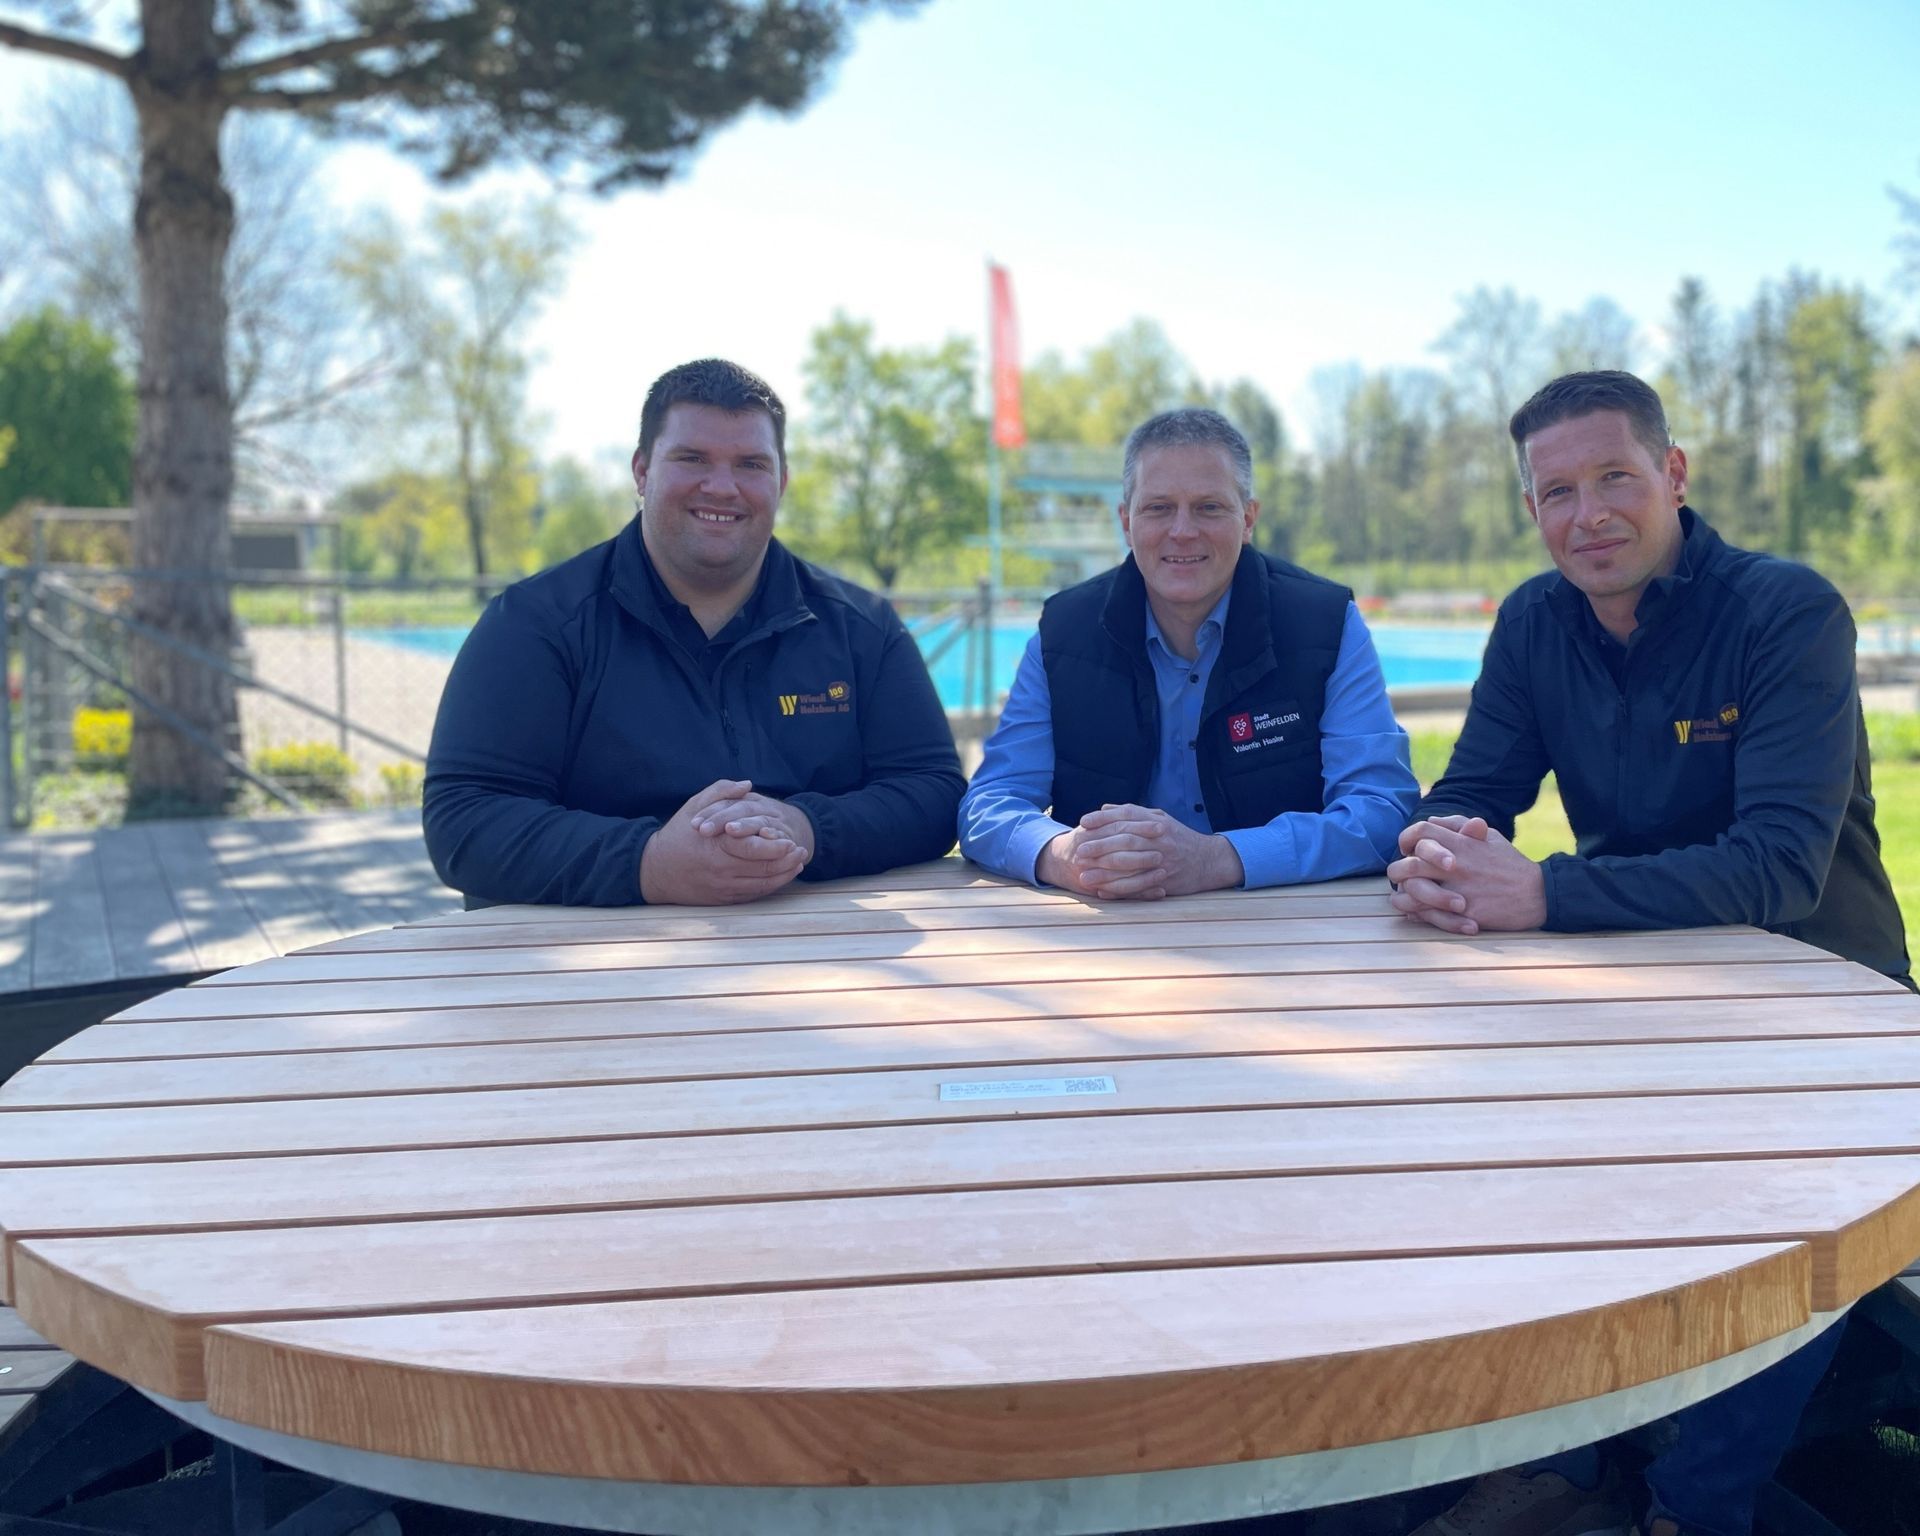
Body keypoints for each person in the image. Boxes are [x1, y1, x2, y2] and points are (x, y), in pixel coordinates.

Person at [1390, 369, 1910, 1536]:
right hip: (1635, 985)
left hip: (1828, 999)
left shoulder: (1785, 612)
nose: (1589, 516)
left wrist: (1543, 892)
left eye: (1614, 477)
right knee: (1474, 1141)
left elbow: (1778, 866)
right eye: (1556, 492)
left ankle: (1690, 1505)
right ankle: (1558, 1457)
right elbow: (1476, 787)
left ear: (1673, 475)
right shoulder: (1535, 621)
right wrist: (1434, 845)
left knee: (1791, 1208)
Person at [424, 358, 965, 907]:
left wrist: (805, 828)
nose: (722, 487)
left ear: (781, 481)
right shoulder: (535, 624)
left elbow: (934, 791)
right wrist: (649, 863)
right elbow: (465, 818)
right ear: (642, 471)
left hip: (823, 941)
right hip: (581, 950)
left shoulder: (863, 628)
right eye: (692, 458)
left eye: (751, 464)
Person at [959, 407, 1416, 896]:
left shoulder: (1325, 622)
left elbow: (1381, 811)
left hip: (1280, 924)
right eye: (1158, 508)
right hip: (1104, 923)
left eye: (1209, 507)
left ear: (1248, 519)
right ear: (1126, 522)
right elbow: (988, 803)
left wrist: (1219, 859)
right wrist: (1064, 855)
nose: (1182, 530)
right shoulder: (1063, 631)